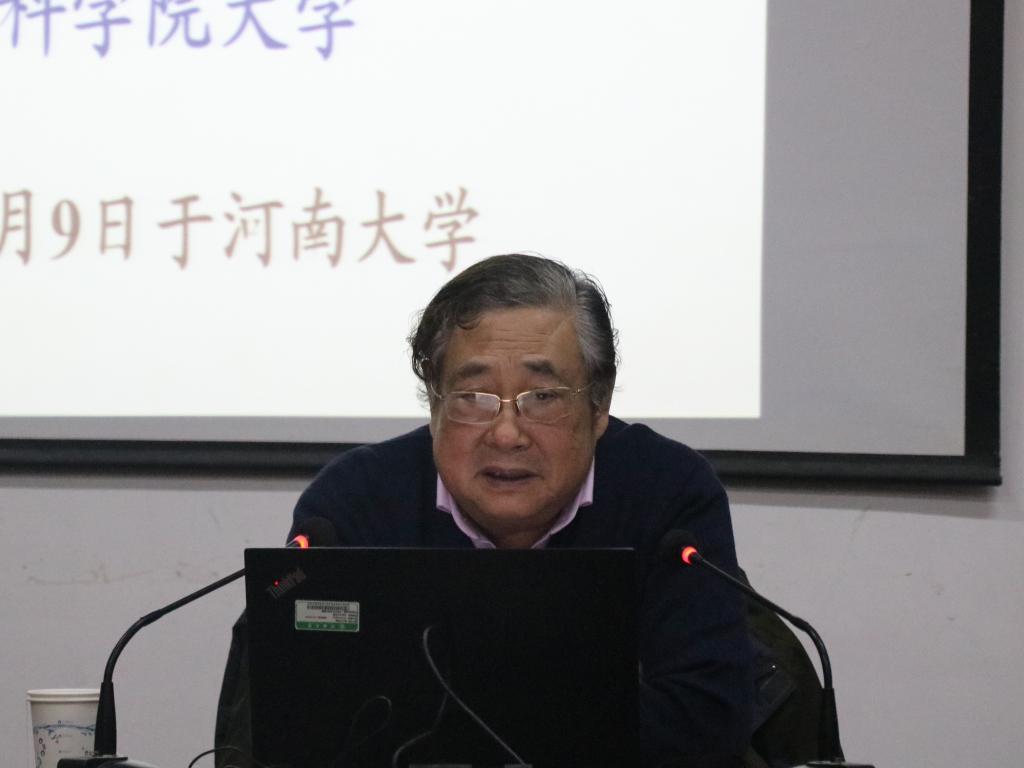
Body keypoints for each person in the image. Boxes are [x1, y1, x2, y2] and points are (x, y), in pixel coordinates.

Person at [217, 253, 754, 767]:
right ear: (434, 403)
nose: (506, 434)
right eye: (473, 397)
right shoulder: (354, 502)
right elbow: (296, 719)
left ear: (599, 407)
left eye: (542, 396)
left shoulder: (668, 494)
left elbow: (709, 717)